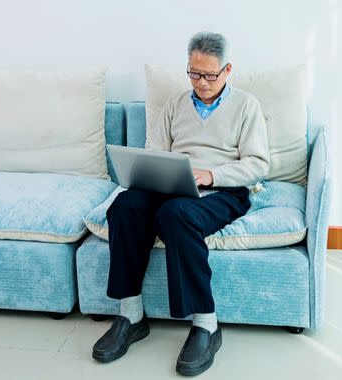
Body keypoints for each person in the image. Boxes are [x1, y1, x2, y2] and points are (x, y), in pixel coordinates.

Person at [92, 31, 270, 376]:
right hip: (173, 184)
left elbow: (258, 164)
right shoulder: (175, 104)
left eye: (209, 75)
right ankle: (130, 315)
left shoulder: (246, 105)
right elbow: (157, 151)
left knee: (177, 214)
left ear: (227, 70)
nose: (201, 82)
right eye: (194, 73)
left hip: (223, 190)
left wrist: (211, 175)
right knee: (125, 206)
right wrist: (156, 173)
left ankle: (206, 324)